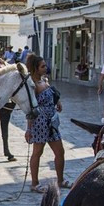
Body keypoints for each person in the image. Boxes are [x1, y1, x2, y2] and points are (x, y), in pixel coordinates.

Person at [25, 54, 69, 192]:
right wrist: (28, 129)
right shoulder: (32, 85)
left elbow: (51, 95)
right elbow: (30, 108)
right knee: (38, 152)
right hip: (40, 122)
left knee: (60, 151)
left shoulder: (44, 80)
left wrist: (57, 102)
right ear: (35, 68)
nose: (45, 68)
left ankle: (60, 179)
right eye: (42, 66)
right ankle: (34, 183)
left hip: (52, 120)